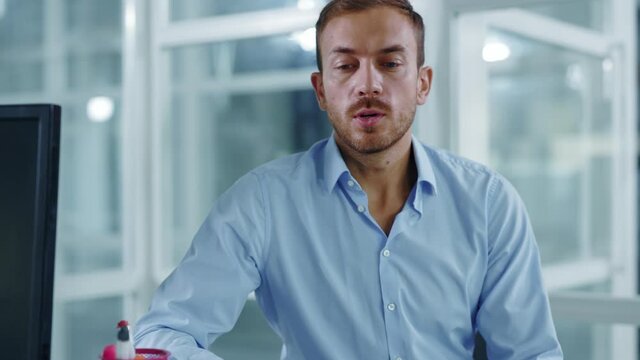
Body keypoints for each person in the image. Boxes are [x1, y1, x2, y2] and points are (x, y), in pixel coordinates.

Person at [134, 0, 564, 359]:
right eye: (345, 66)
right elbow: (162, 333)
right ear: (321, 91)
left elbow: (530, 353)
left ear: (423, 82)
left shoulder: (488, 202)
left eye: (390, 63)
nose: (368, 85)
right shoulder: (262, 203)